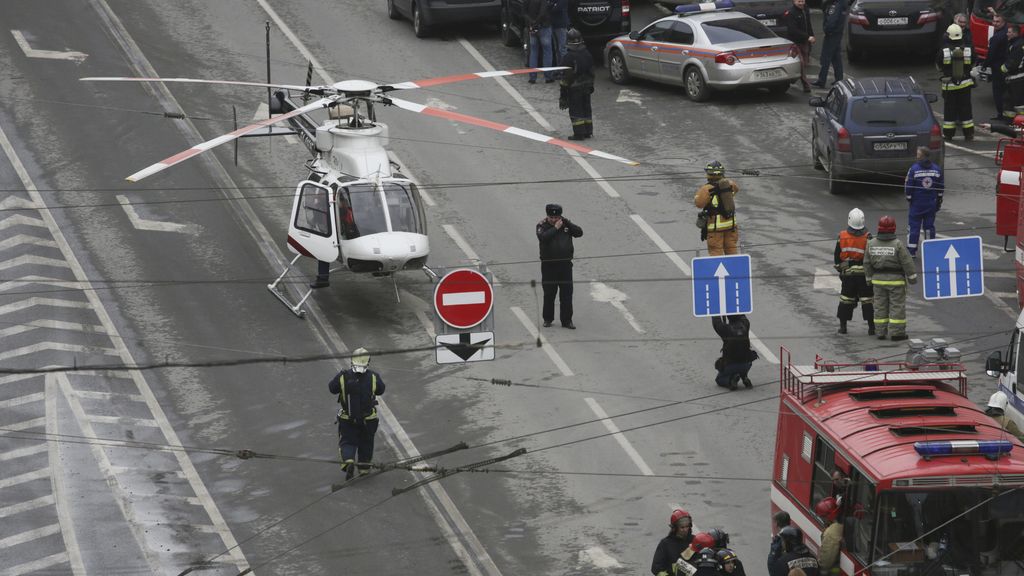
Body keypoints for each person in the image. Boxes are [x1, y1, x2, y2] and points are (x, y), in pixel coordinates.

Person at [328, 347, 386, 480]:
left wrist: (341, 376)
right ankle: (364, 469)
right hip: (368, 420)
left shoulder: (343, 376)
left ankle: (348, 461)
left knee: (348, 441)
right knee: (366, 443)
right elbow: (381, 390)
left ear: (352, 361)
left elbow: (332, 388)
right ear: (368, 362)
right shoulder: (373, 377)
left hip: (348, 419)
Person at [864, 215, 917, 342]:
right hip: (896, 282)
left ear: (879, 228)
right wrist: (912, 278)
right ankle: (897, 333)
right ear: (893, 229)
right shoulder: (897, 244)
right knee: (896, 307)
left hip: (878, 282)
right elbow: (907, 262)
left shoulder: (871, 243)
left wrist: (869, 279)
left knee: (879, 306)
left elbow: (867, 263)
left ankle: (880, 332)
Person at [537, 203, 583, 329]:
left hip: (565, 266)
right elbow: (543, 238)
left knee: (567, 295)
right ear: (547, 216)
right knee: (549, 294)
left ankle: (567, 320)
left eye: (556, 217)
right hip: (549, 267)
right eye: (551, 217)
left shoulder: (565, 225)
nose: (554, 220)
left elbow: (579, 233)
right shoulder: (542, 226)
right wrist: (556, 228)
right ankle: (548, 318)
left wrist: (567, 223)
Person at [834, 208, 875, 335]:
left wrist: (841, 272)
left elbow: (837, 258)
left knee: (846, 300)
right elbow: (872, 258)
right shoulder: (868, 237)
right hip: (864, 276)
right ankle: (871, 328)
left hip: (848, 276)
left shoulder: (842, 236)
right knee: (868, 301)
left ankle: (843, 327)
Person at [937, 24, 976, 140]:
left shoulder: (944, 50)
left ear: (948, 35)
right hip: (965, 84)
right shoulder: (968, 49)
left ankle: (948, 134)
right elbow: (973, 61)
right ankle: (969, 133)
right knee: (966, 109)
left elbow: (939, 65)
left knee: (949, 110)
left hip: (950, 85)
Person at [905, 147, 944, 257]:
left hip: (917, 204)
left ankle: (912, 251)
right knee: (929, 226)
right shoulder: (937, 169)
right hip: (931, 203)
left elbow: (909, 186)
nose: (916, 155)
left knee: (914, 227)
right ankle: (930, 249)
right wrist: (939, 200)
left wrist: (909, 198)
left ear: (921, 156)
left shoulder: (914, 169)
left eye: (918, 153)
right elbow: (940, 187)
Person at [694, 161, 739, 255]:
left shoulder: (706, 188)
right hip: (731, 226)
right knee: (731, 249)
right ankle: (734, 268)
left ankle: (719, 270)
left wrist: (696, 197)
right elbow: (736, 189)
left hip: (715, 228)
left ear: (708, 174)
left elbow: (699, 204)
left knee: (715, 251)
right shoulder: (730, 184)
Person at [559, 28, 595, 141]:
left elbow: (565, 78)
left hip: (575, 88)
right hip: (587, 86)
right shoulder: (587, 53)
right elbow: (592, 72)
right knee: (586, 108)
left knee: (576, 110)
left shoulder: (568, 57)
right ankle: (588, 131)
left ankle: (579, 134)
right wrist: (591, 85)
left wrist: (563, 96)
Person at [712, 315, 758, 390]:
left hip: (731, 365)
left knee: (719, 379)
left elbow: (716, 322)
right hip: (747, 364)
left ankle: (731, 379)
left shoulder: (725, 329)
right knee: (742, 360)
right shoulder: (745, 324)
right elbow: (743, 315)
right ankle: (744, 376)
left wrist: (716, 310)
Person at [780, 0, 815, 93]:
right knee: (801, 64)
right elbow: (793, 30)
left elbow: (809, 25)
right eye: (799, 1)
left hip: (805, 42)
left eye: (802, 1)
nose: (801, 3)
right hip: (795, 43)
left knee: (805, 63)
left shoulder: (805, 10)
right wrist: (808, 37)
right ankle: (806, 85)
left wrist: (812, 36)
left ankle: (794, 79)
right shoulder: (791, 13)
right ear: (794, 1)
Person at [810, 0, 846, 88]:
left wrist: (827, 30)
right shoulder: (842, 4)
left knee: (825, 58)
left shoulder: (835, 6)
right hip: (837, 33)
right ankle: (839, 79)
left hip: (832, 34)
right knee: (836, 58)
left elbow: (832, 20)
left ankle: (821, 80)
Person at [652, 509, 695, 576]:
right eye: (682, 527)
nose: (685, 530)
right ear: (675, 528)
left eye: (687, 526)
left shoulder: (695, 540)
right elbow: (656, 568)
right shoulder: (665, 544)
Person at [983, 13, 1008, 120]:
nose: (995, 23)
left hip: (998, 68)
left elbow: (991, 54)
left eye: (998, 22)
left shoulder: (997, 37)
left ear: (1004, 22)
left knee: (998, 92)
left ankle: (1001, 115)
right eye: (994, 21)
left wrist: (985, 65)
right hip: (1008, 67)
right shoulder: (1008, 33)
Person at [526, 0, 554, 84]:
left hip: (532, 27)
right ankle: (548, 77)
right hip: (544, 26)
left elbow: (524, 12)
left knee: (533, 52)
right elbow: (543, 12)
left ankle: (532, 77)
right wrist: (536, 23)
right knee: (547, 52)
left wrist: (532, 23)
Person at [815, 497, 844, 572]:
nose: (822, 519)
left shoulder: (830, 533)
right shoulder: (841, 523)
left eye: (822, 517)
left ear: (828, 516)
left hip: (834, 570)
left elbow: (825, 563)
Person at [1003, 24, 1024, 121]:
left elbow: (1013, 63)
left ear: (1015, 33)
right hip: (1014, 78)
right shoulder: (1015, 43)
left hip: (1017, 78)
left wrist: (1002, 69)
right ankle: (1009, 120)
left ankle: (1021, 122)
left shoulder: (1018, 45)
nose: (1007, 34)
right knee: (1009, 100)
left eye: (1009, 32)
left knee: (1019, 103)